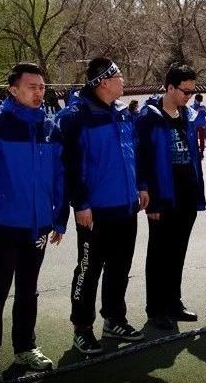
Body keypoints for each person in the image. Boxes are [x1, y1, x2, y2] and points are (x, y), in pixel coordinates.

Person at [0, 62, 69, 383]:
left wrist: (59, 218)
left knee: (28, 290)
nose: (38, 92)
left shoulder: (50, 128)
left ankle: (25, 347)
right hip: (4, 225)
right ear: (13, 90)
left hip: (39, 226)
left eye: (42, 87)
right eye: (31, 87)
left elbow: (60, 175)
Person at [58, 57, 148, 354]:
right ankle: (82, 328)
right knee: (88, 270)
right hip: (95, 210)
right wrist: (80, 203)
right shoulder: (76, 116)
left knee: (120, 267)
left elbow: (134, 151)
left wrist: (141, 185)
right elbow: (71, 165)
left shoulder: (123, 112)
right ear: (104, 82)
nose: (124, 80)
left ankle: (114, 318)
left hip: (127, 206)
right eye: (119, 75)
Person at [136, 64, 205, 330]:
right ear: (170, 88)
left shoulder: (187, 115)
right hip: (162, 195)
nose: (189, 96)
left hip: (186, 193)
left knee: (178, 251)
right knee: (159, 254)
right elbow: (142, 157)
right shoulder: (149, 117)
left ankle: (174, 303)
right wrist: (147, 192)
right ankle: (156, 309)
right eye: (185, 91)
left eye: (192, 91)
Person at [191, 93, 206, 159]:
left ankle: (201, 153)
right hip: (195, 126)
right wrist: (196, 111)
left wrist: (204, 111)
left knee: (202, 140)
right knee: (195, 139)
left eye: (200, 101)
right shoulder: (191, 106)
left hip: (202, 125)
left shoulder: (203, 106)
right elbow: (190, 116)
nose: (199, 102)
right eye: (198, 101)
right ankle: (196, 152)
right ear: (195, 100)